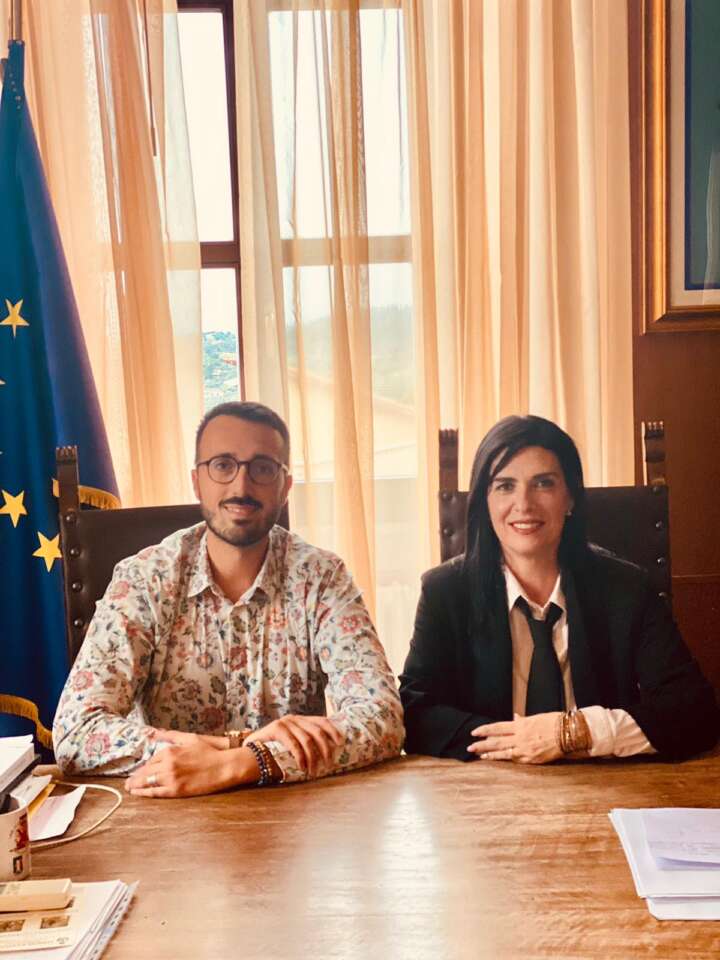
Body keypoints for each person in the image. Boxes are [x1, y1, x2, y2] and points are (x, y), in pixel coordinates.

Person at [53, 401, 404, 796]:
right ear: (197, 481)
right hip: (167, 816)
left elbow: (382, 719)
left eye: (262, 468)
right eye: (222, 465)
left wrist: (245, 763)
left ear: (285, 487)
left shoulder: (322, 578)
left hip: (297, 818)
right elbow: (75, 732)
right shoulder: (144, 580)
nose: (241, 487)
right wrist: (234, 746)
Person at [400, 415, 720, 763]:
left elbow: (695, 711)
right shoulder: (444, 592)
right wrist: (518, 743)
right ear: (484, 502)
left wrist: (573, 732)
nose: (524, 504)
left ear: (570, 498)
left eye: (543, 483)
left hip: (605, 783)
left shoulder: (627, 589)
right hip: (488, 785)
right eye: (505, 486)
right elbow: (415, 714)